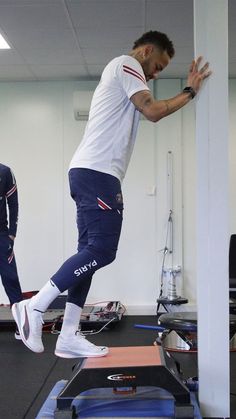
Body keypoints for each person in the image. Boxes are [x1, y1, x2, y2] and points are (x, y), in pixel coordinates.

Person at [12, 30, 211, 358]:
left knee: (88, 253)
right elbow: (154, 111)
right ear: (145, 51)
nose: (156, 73)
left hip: (91, 172)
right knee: (103, 251)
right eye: (157, 65)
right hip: (97, 173)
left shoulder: (126, 76)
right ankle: (34, 306)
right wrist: (190, 91)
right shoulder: (127, 64)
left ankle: (68, 335)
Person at [0, 163, 23, 338]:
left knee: (11, 278)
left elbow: (13, 203)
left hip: (1, 235)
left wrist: (12, 234)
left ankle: (21, 327)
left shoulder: (5, 171)